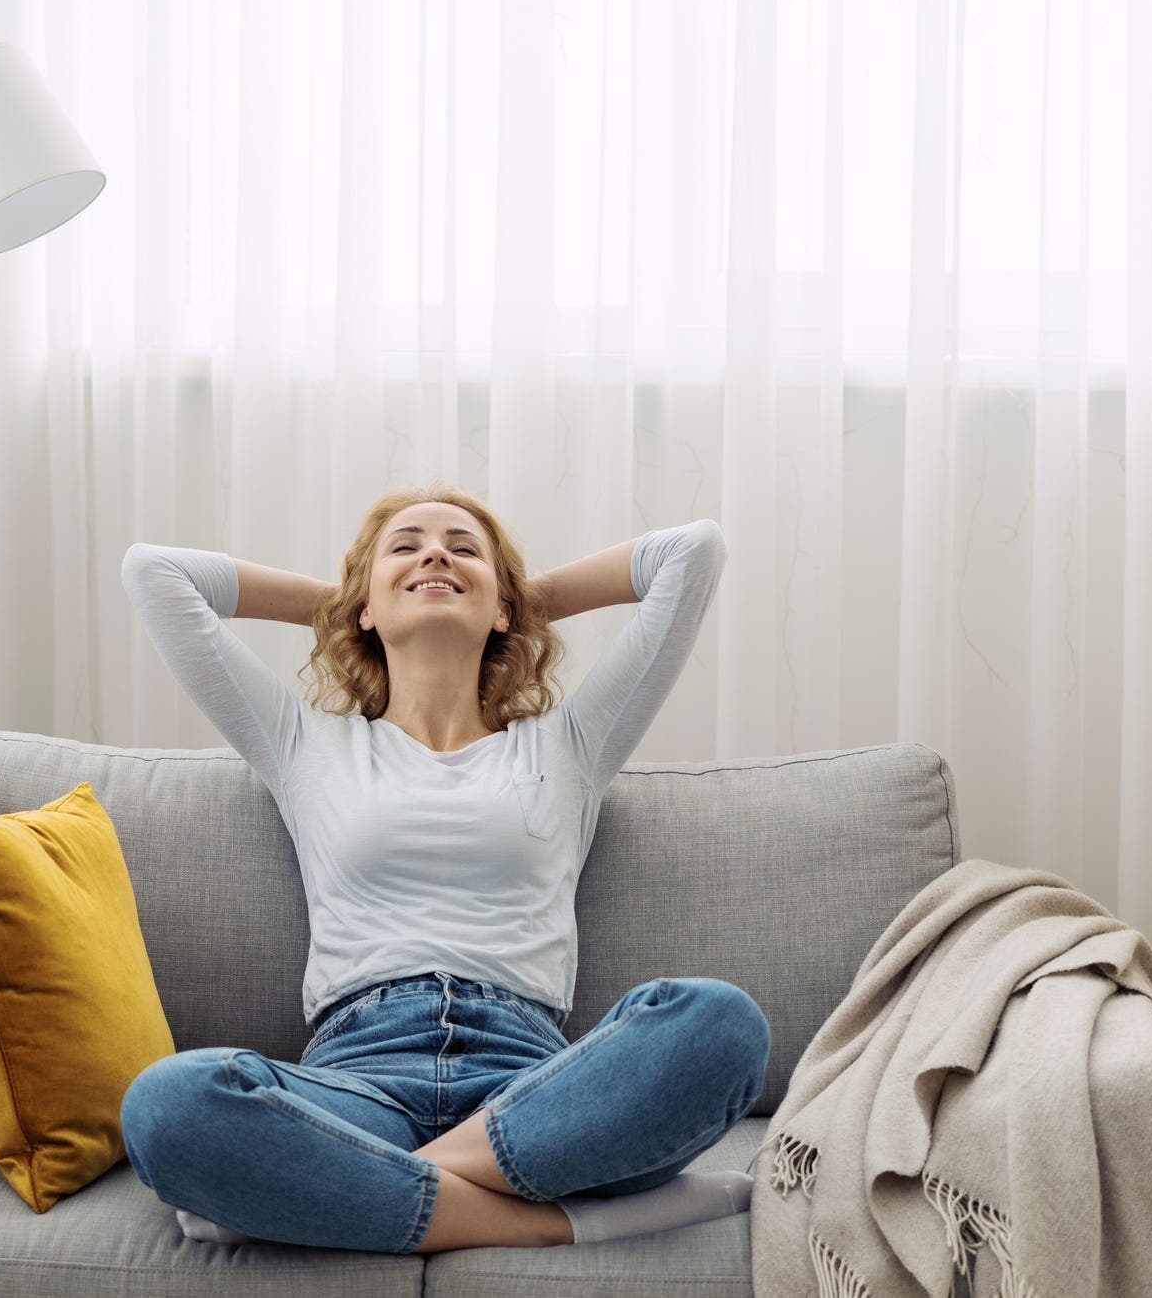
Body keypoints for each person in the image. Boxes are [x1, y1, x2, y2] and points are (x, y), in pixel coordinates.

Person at [116, 481, 769, 1254]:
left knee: (720, 1024)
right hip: (357, 1081)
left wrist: (508, 596)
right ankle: (572, 1220)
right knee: (169, 1104)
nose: (434, 552)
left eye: (463, 549)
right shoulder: (305, 743)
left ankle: (348, 1191)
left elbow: (692, 553)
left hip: (530, 1085)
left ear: (505, 611)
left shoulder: (569, 745)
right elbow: (155, 573)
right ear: (364, 607)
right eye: (407, 546)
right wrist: (360, 599)